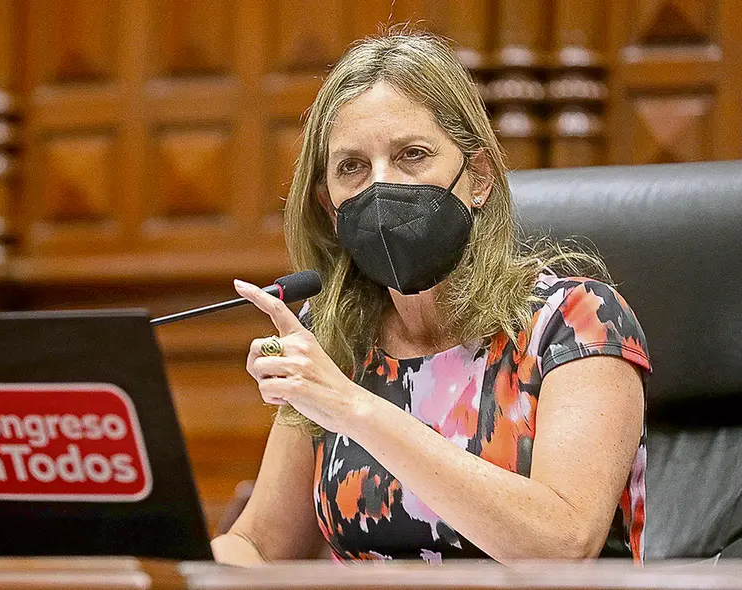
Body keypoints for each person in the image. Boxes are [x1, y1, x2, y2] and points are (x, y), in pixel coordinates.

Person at [210, 29, 650, 565]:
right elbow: (259, 544)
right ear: (329, 204)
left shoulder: (576, 321)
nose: (379, 187)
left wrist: (352, 409)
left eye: (411, 155)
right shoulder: (335, 339)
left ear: (479, 176)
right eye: (352, 166)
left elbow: (563, 543)